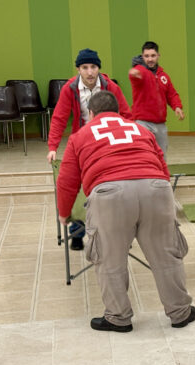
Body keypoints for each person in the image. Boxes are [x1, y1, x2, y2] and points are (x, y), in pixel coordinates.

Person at [56, 91, 195, 333]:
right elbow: (162, 166)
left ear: (91, 114)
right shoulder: (141, 130)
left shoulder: (80, 136)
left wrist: (64, 213)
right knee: (166, 255)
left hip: (110, 194)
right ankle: (180, 312)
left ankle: (118, 317)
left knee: (110, 258)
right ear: (119, 112)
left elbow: (67, 181)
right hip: (156, 189)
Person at [47, 48, 132, 250]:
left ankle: (118, 233)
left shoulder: (110, 87)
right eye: (85, 67)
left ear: (98, 68)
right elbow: (59, 118)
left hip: (107, 141)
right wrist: (52, 147)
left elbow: (126, 115)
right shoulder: (70, 88)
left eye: (93, 67)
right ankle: (77, 233)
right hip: (83, 142)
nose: (90, 72)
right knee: (80, 188)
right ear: (78, 69)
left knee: (114, 185)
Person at [128, 41, 184, 158]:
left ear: (158, 56)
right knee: (144, 154)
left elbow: (172, 94)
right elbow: (135, 77)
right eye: (146, 56)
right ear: (142, 56)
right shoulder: (140, 71)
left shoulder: (164, 76)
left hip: (160, 124)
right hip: (142, 122)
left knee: (162, 155)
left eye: (153, 56)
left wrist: (177, 107)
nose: (150, 59)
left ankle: (161, 170)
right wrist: (134, 74)